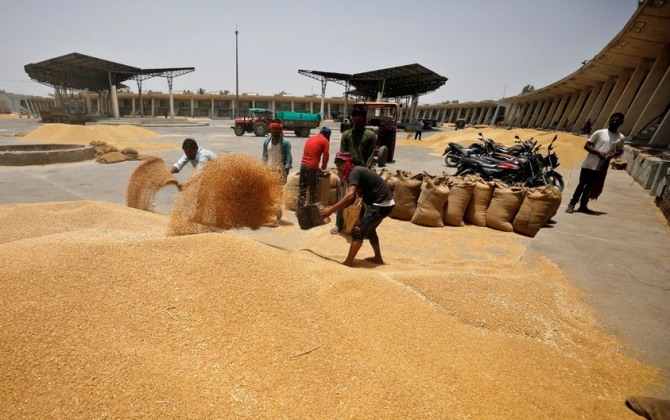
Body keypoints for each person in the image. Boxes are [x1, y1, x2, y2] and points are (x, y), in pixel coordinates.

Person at [320, 152, 395, 267]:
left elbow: (350, 196)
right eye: (336, 164)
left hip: (381, 204)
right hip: (380, 203)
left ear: (348, 163)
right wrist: (334, 208)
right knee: (369, 229)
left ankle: (348, 262)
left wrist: (330, 211)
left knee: (358, 230)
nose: (338, 168)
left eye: (340, 164)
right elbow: (351, 199)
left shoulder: (354, 172)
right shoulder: (356, 171)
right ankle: (378, 258)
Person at [566, 112, 625, 214]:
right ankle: (572, 204)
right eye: (613, 119)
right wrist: (598, 153)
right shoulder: (599, 132)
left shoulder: (621, 137)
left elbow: (620, 150)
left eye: (617, 120)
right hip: (589, 164)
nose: (614, 122)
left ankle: (583, 205)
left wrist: (612, 155)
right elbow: (587, 146)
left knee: (590, 187)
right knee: (581, 185)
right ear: (610, 120)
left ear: (621, 123)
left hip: (601, 166)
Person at [331, 106, 377, 234]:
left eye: (360, 116)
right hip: (348, 171)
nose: (357, 118)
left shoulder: (370, 135)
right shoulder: (346, 135)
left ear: (364, 118)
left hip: (363, 171)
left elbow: (370, 156)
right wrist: (343, 172)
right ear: (352, 118)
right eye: (355, 116)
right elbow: (342, 155)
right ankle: (339, 224)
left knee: (364, 202)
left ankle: (361, 227)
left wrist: (364, 175)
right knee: (342, 198)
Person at [262, 121, 293, 222]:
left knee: (278, 193)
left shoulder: (285, 143)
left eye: (277, 129)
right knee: (269, 193)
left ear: (280, 130)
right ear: (270, 130)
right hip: (268, 171)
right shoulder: (266, 142)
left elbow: (288, 157)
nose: (275, 131)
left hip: (279, 171)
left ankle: (278, 213)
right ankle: (270, 214)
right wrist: (262, 168)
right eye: (273, 129)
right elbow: (264, 156)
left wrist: (286, 170)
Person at [298, 126, 331, 208]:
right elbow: (326, 156)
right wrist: (323, 167)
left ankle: (300, 210)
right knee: (313, 191)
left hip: (303, 166)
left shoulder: (310, 138)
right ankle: (312, 212)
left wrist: (317, 168)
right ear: (327, 134)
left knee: (302, 189)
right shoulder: (325, 141)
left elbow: (309, 154)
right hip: (311, 168)